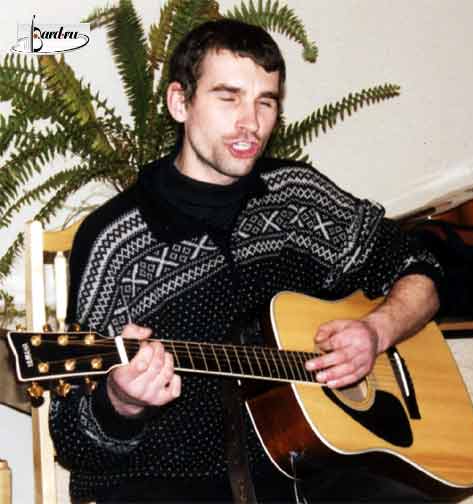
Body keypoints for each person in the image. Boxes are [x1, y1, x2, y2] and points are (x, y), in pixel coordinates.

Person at [50, 19, 442, 503]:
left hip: (314, 465)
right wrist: (120, 401)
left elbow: (419, 264)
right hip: (171, 482)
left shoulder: (297, 197)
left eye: (265, 102)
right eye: (228, 98)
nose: (250, 123)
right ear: (180, 103)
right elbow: (72, 438)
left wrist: (377, 331)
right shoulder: (114, 242)